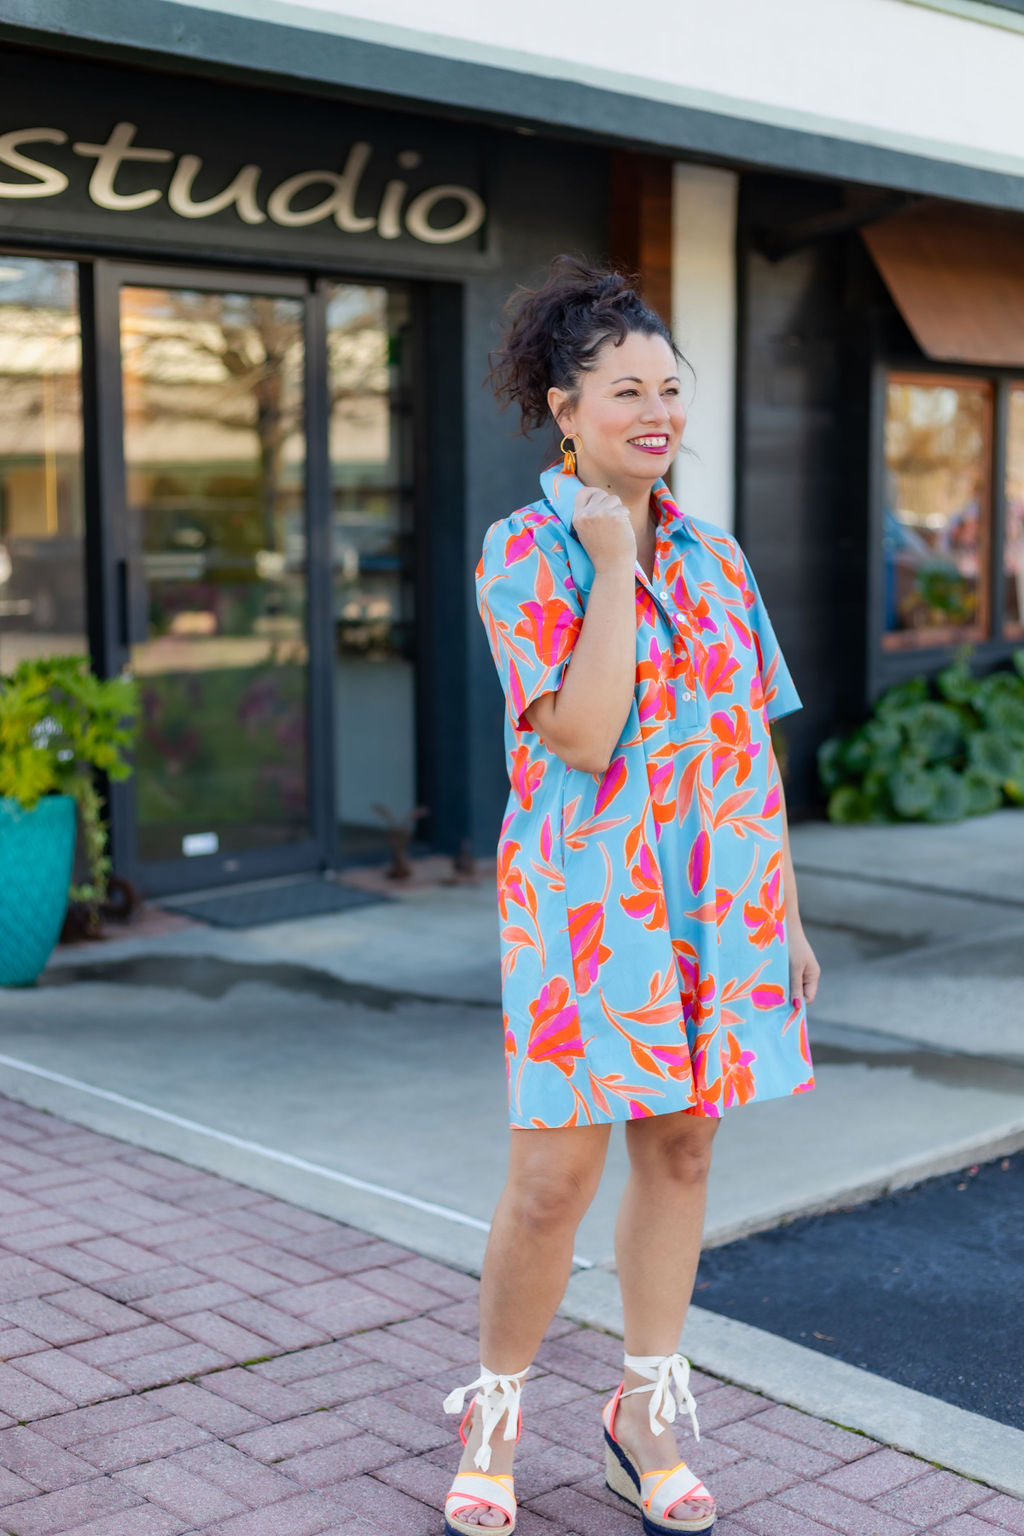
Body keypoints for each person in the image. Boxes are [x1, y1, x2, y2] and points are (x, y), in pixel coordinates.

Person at [444, 258, 820, 1536]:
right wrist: (611, 565)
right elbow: (585, 734)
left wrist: (791, 913)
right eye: (625, 392)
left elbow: (749, 744)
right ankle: (495, 1414)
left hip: (723, 903)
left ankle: (644, 1415)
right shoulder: (521, 553)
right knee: (551, 1177)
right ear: (563, 406)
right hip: (584, 911)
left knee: (686, 1145)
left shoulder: (717, 556)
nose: (656, 413)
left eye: (671, 388)